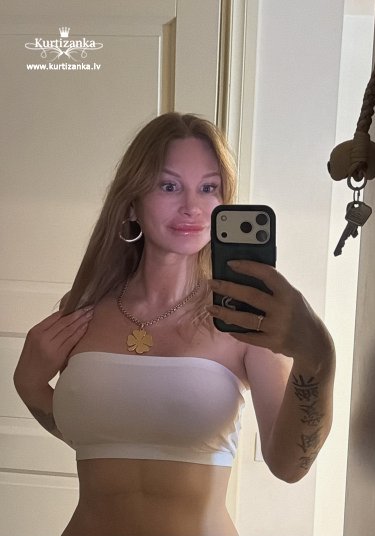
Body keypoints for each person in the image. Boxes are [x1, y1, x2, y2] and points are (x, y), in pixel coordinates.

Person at [13, 112, 335, 536]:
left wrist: (318, 358)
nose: (192, 207)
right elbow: (90, 436)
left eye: (208, 188)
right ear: (131, 202)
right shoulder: (82, 309)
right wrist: (28, 383)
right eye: (169, 186)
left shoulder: (244, 317)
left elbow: (290, 466)